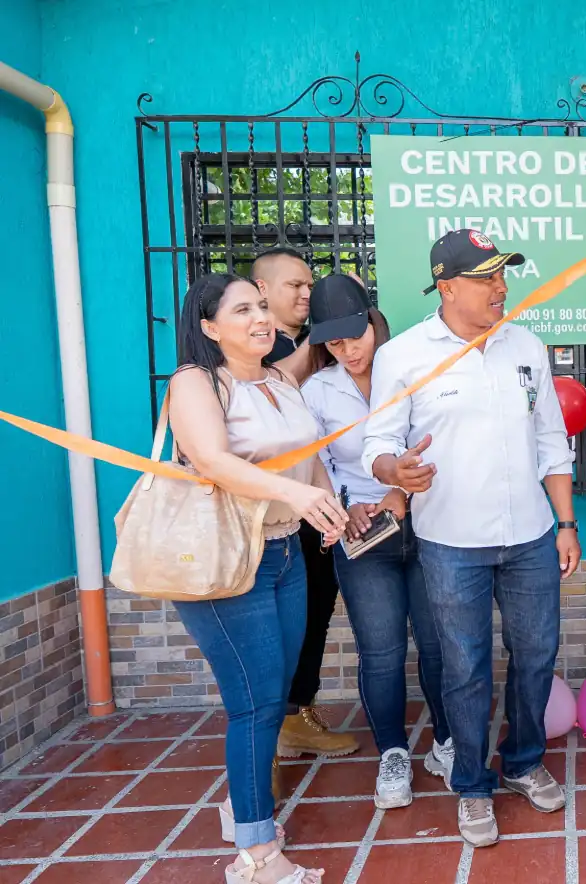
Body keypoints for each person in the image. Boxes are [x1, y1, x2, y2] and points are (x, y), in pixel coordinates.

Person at [362, 229, 580, 847]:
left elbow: (550, 443)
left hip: (532, 537)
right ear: (448, 286)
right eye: (487, 277)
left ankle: (523, 761)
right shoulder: (402, 356)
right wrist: (391, 470)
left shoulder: (526, 346)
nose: (500, 287)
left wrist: (565, 523)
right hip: (450, 541)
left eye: (502, 275)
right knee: (465, 668)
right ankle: (471, 784)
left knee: (537, 654)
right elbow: (377, 443)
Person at [168, 272, 349, 884]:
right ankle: (255, 855)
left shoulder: (279, 380)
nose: (261, 317)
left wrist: (327, 508)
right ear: (210, 327)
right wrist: (296, 494)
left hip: (283, 553)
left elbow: (311, 454)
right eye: (242, 309)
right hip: (225, 562)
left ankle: (240, 807)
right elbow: (214, 461)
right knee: (254, 704)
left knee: (274, 696)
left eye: (261, 306)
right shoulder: (196, 383)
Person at [300, 274, 451, 810]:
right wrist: (346, 505)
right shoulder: (317, 391)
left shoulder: (410, 366)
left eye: (355, 335)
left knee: (437, 645)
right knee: (382, 651)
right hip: (363, 535)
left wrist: (398, 496)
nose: (349, 350)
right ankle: (392, 753)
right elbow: (317, 464)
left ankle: (448, 744)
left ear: (373, 319)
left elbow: (439, 443)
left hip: (429, 523)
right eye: (334, 343)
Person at [251, 247, 360, 762]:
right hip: (269, 519)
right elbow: (283, 382)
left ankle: (298, 713)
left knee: (314, 613)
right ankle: (272, 734)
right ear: (262, 292)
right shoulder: (258, 349)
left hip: (313, 512)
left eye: (310, 284)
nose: (306, 293)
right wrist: (323, 334)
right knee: (277, 629)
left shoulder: (296, 341)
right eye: (295, 285)